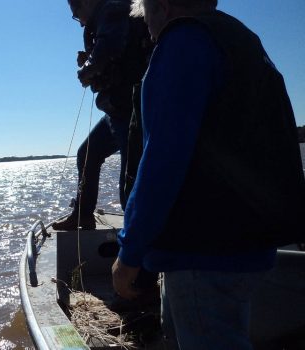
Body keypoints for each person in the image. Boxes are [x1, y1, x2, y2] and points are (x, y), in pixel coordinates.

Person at [112, 0, 305, 349]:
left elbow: (162, 160)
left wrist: (129, 254)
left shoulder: (183, 44)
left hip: (202, 252)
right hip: (249, 248)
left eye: (148, 20)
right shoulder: (242, 39)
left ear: (164, 7)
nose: (151, 34)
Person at [53, 0, 151, 230]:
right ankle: (83, 215)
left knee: (131, 178)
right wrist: (90, 56)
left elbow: (110, 46)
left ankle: (137, 251)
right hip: (115, 110)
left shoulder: (113, 9)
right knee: (87, 153)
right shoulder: (107, 17)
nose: (79, 22)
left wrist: (87, 68)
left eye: (76, 12)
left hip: (131, 111)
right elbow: (112, 50)